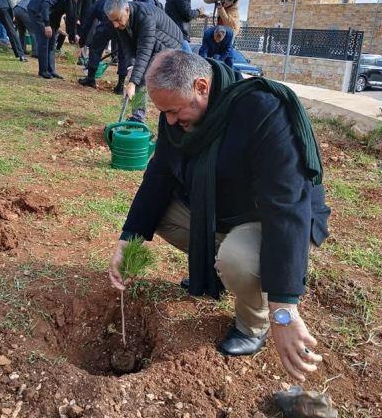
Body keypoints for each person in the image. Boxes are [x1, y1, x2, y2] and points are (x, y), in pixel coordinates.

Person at [109, 50, 331, 382]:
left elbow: (286, 206)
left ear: (201, 86)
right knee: (162, 214)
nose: (169, 122)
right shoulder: (177, 111)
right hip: (221, 210)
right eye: (164, 112)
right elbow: (159, 176)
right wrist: (129, 240)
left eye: (174, 111)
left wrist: (283, 309)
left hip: (268, 216)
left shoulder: (262, 111)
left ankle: (252, 324)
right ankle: (218, 268)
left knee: (237, 258)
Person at [104, 0, 187, 120]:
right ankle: (137, 116)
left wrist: (132, 82)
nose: (115, 25)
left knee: (142, 77)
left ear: (127, 10)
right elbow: (127, 47)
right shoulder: (120, 22)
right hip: (152, 44)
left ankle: (138, 117)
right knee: (138, 74)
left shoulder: (145, 17)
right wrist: (131, 66)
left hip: (169, 43)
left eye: (118, 19)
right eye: (112, 21)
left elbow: (144, 52)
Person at [28, 0, 86, 79]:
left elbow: (71, 17)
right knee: (44, 40)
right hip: (37, 11)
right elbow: (45, 5)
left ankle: (51, 70)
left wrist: (74, 34)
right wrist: (46, 25)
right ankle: (43, 70)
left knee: (52, 42)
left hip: (52, 16)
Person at [77, 0, 128, 91]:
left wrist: (82, 40)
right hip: (121, 24)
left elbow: (88, 22)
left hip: (106, 24)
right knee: (123, 54)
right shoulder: (117, 1)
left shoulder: (97, 4)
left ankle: (90, 78)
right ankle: (120, 86)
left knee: (95, 49)